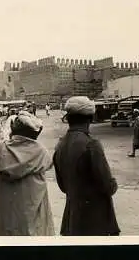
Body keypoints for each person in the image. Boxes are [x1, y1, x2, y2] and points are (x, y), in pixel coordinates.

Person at [52, 96, 120, 236]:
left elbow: (63, 186)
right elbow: (108, 186)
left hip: (71, 221)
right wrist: (114, 183)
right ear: (90, 118)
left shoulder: (60, 146)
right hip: (96, 221)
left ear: (68, 118)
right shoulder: (91, 145)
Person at [0, 111, 55, 236]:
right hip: (33, 204)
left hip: (9, 207)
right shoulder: (40, 151)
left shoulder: (1, 148)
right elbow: (49, 164)